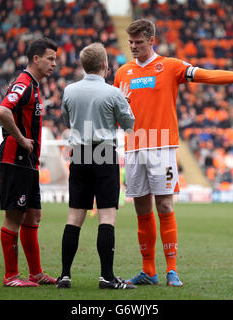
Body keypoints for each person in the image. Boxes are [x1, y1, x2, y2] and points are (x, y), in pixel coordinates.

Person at [113, 19, 233, 287]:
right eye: (130, 43)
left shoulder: (171, 66)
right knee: (141, 207)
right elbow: (118, 114)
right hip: (134, 146)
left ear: (152, 40)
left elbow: (207, 75)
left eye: (138, 42)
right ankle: (148, 271)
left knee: (164, 204)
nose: (133, 47)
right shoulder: (122, 73)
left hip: (162, 145)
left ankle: (171, 270)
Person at [57, 42, 136, 289]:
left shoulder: (69, 90)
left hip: (79, 153)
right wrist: (125, 103)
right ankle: (106, 277)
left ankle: (65, 275)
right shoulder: (113, 93)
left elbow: (66, 118)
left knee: (74, 217)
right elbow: (128, 123)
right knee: (107, 217)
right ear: (105, 65)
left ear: (83, 65)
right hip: (103, 153)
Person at [0, 38, 58, 287]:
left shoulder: (34, 85)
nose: (54, 63)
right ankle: (11, 276)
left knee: (33, 217)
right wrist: (21, 139)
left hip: (28, 163)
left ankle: (36, 273)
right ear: (36, 59)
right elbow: (2, 111)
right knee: (15, 217)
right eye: (50, 58)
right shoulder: (23, 83)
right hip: (16, 160)